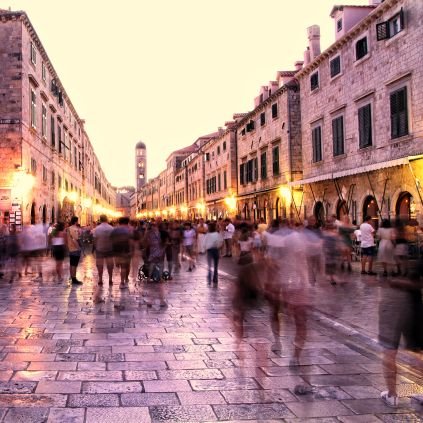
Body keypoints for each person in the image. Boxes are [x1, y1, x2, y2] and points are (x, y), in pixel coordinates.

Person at [92, 214, 114, 286]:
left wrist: (94, 247)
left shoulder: (97, 229)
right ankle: (110, 279)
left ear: (100, 219)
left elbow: (95, 239)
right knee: (110, 264)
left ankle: (100, 279)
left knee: (99, 265)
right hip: (109, 248)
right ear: (107, 219)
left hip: (100, 248)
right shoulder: (111, 228)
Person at [111, 217, 132, 289]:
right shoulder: (130, 229)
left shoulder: (115, 229)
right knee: (126, 266)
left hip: (117, 250)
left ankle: (123, 280)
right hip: (126, 249)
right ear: (127, 222)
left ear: (119, 222)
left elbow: (111, 239)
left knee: (121, 266)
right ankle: (124, 280)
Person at [204, 221, 223, 286]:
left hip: (209, 251)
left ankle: (209, 278)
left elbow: (204, 243)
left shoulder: (207, 235)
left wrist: (205, 249)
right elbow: (220, 242)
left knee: (209, 266)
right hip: (215, 250)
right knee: (215, 266)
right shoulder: (217, 234)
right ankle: (215, 278)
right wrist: (219, 249)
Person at [65, 216, 83, 285]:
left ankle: (72, 277)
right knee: (74, 264)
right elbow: (76, 239)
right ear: (76, 221)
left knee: (72, 264)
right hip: (75, 248)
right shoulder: (74, 229)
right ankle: (74, 279)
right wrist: (79, 247)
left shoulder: (68, 228)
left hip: (70, 248)